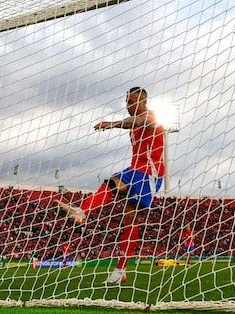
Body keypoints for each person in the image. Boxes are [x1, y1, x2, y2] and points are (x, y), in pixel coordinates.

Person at [56, 87, 164, 284]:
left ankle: (83, 212)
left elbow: (139, 120)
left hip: (149, 172)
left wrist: (113, 124)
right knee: (127, 215)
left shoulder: (151, 115)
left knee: (117, 191)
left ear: (143, 102)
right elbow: (134, 123)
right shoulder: (134, 125)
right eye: (127, 102)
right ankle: (120, 270)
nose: (128, 106)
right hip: (136, 169)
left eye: (132, 102)